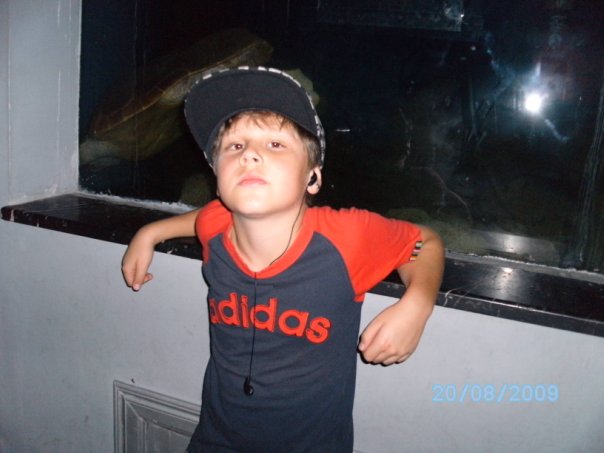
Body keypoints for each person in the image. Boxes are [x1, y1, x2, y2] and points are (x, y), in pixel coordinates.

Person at [122, 66, 444, 453]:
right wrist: (150, 233)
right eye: (234, 147)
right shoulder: (216, 226)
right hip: (216, 439)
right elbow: (201, 219)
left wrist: (417, 304)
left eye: (275, 144)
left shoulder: (346, 238)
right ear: (217, 177)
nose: (250, 155)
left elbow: (424, 241)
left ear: (313, 178)